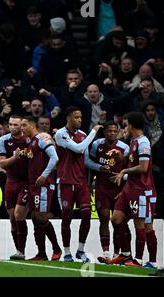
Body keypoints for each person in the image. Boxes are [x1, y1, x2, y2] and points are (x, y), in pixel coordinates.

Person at [54, 106, 103, 262]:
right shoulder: (60, 134)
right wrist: (94, 132)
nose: (80, 120)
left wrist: (101, 168)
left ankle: (80, 250)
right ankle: (67, 252)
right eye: (76, 117)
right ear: (68, 118)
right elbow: (78, 149)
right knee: (66, 217)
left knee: (87, 215)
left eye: (81, 117)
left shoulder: (82, 135)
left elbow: (86, 160)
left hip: (81, 183)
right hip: (66, 182)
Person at [109, 112, 158, 269]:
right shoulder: (133, 141)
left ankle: (140, 260)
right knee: (116, 219)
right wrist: (118, 156)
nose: (124, 127)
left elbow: (143, 168)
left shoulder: (143, 143)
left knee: (142, 225)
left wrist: (123, 172)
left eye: (125, 124)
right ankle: (125, 254)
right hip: (130, 188)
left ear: (131, 125)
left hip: (142, 190)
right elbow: (128, 161)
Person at [84, 121, 131, 263]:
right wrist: (95, 174)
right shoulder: (97, 144)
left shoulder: (124, 147)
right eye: (109, 131)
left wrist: (121, 178)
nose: (112, 133)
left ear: (118, 132)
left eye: (114, 131)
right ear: (104, 132)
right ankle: (106, 252)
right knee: (103, 219)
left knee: (119, 222)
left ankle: (119, 253)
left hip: (118, 189)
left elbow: (130, 169)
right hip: (101, 188)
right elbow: (89, 163)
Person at [21, 116, 62, 261]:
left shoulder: (42, 139)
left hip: (43, 184)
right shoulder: (31, 142)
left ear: (32, 126)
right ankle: (41, 253)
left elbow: (54, 158)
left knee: (41, 217)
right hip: (34, 185)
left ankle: (57, 249)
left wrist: (44, 175)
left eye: (24, 125)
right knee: (35, 218)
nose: (22, 128)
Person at [0, 115, 30, 260]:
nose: (12, 127)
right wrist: (15, 158)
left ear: (22, 126)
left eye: (16, 125)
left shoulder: (29, 140)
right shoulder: (4, 140)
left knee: (18, 214)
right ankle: (18, 250)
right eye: (10, 124)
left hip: (26, 182)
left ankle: (21, 251)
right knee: (12, 219)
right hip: (11, 182)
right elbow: (2, 163)